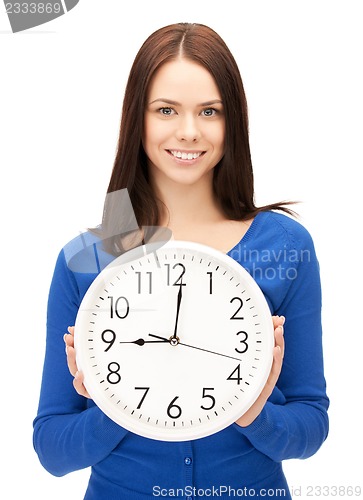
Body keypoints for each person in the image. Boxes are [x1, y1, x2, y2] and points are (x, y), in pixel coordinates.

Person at [33, 22, 329, 499]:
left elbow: (311, 425)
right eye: (166, 109)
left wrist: (255, 410)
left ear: (232, 121)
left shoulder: (287, 246)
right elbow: (52, 449)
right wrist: (115, 401)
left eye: (209, 111)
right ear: (138, 119)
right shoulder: (88, 257)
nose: (189, 132)